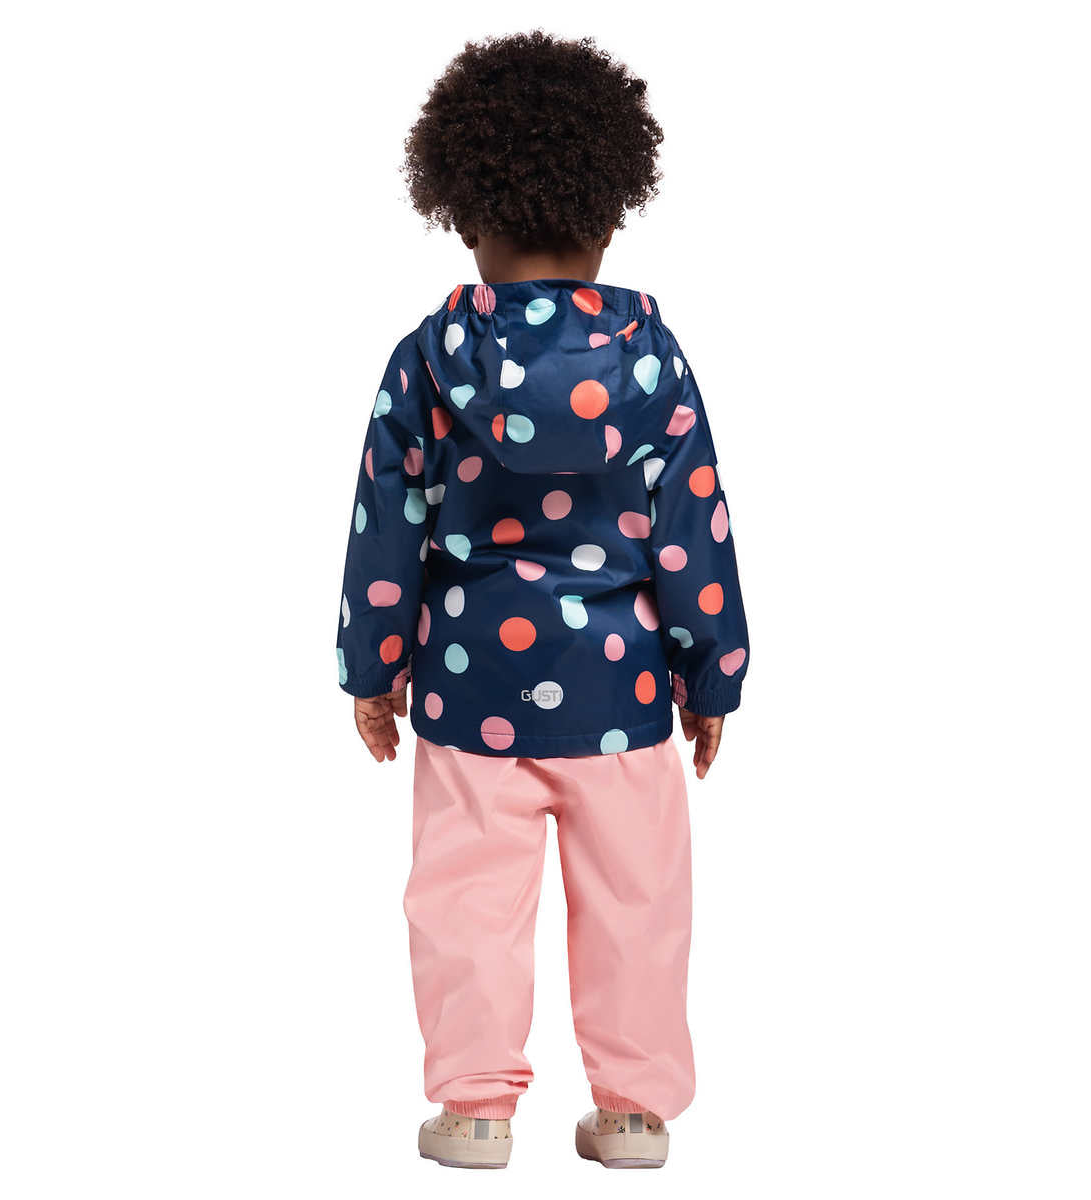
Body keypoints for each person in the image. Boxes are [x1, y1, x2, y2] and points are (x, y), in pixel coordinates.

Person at [337, 32, 749, 1170]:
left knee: (464, 903)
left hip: (470, 695)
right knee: (637, 904)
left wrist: (372, 669)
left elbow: (385, 530)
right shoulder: (652, 360)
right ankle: (634, 1113)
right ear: (610, 211)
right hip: (624, 697)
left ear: (464, 211)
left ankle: (475, 1110)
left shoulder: (428, 361)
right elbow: (695, 525)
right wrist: (713, 673)